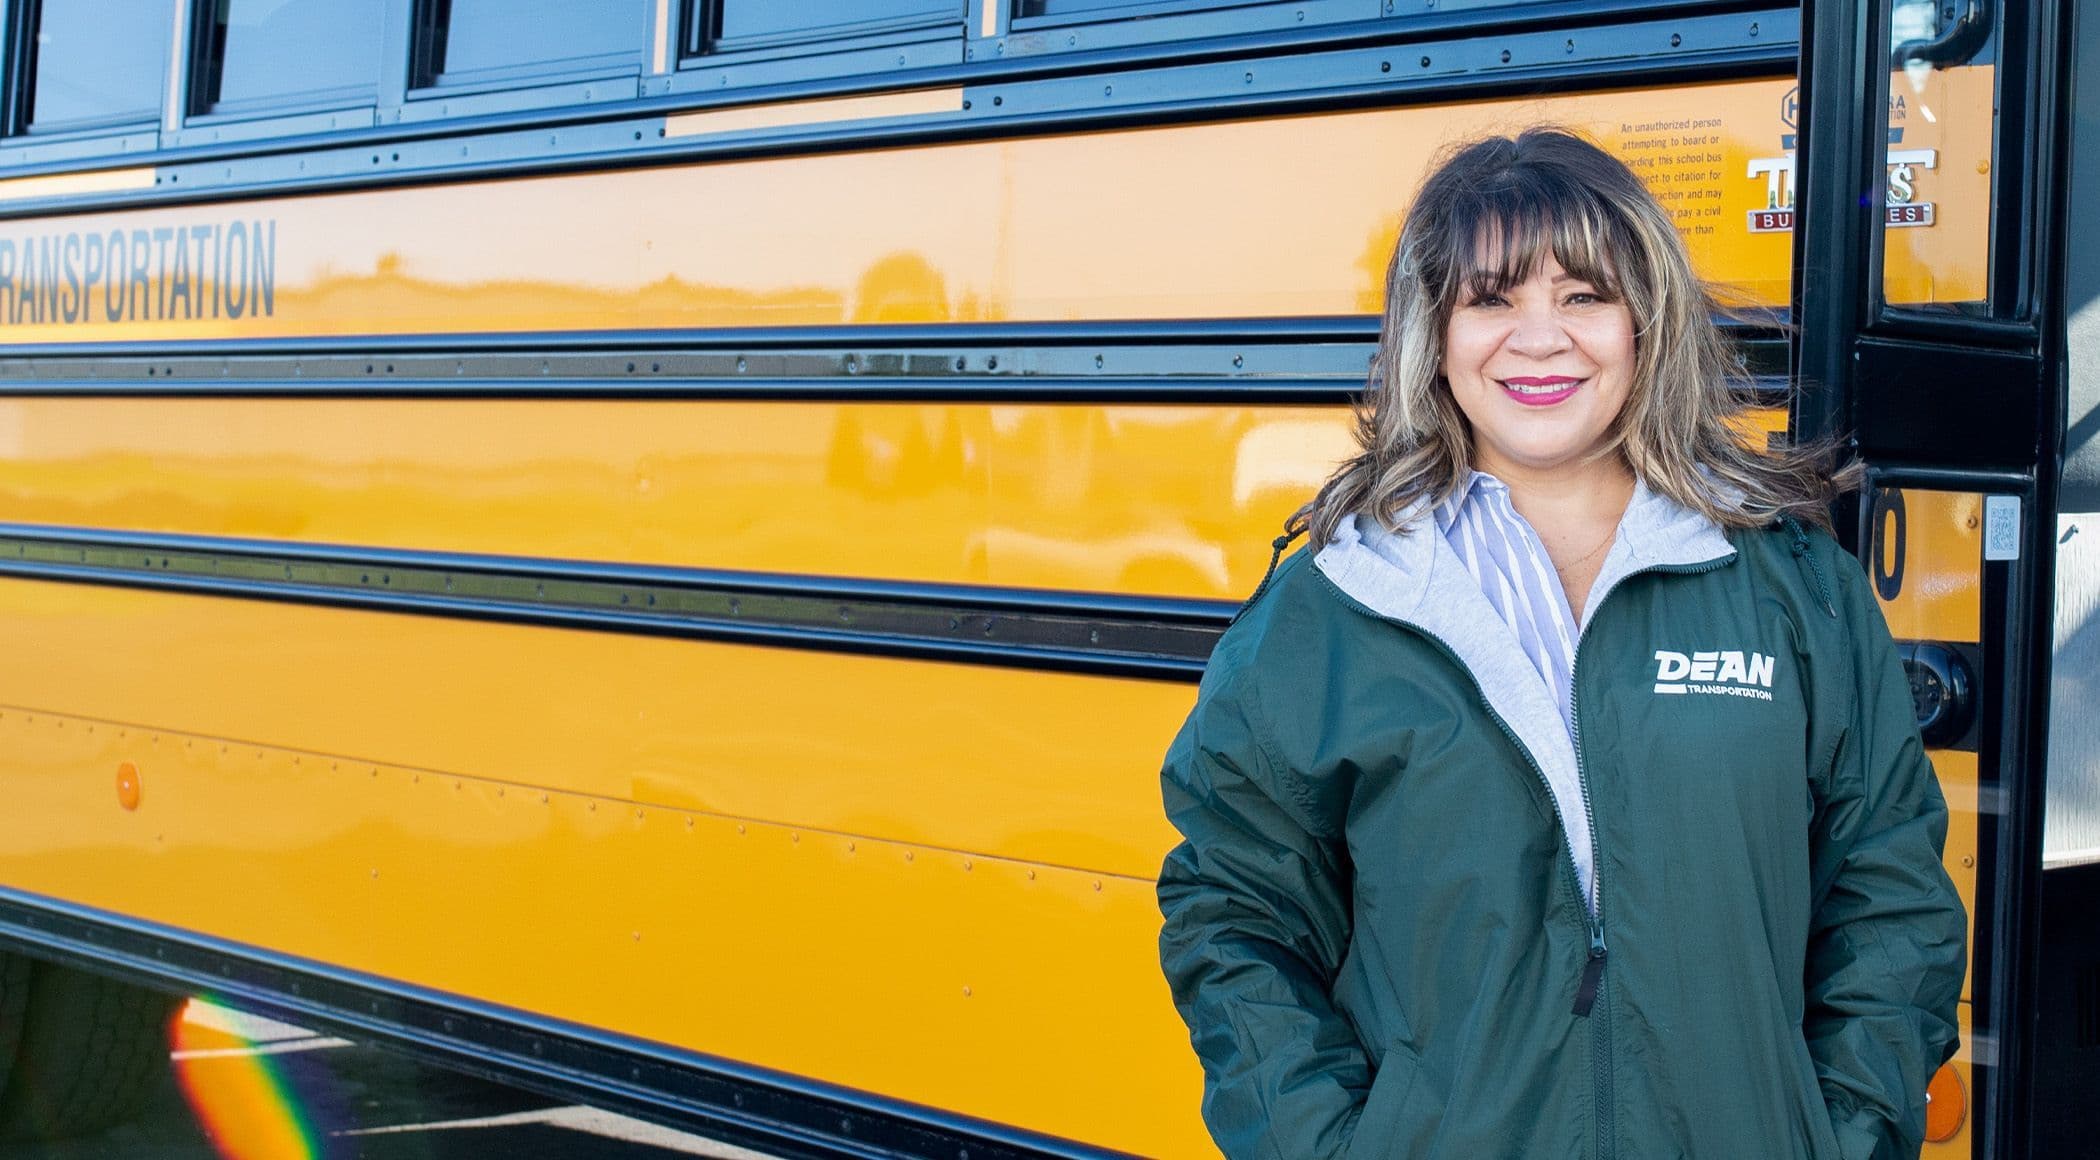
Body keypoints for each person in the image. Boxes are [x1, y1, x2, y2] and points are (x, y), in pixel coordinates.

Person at [1155, 127, 1967, 1160]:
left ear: (1644, 322)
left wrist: (1843, 1132)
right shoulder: (1336, 603)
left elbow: (1888, 893)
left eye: (1584, 295)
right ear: (1435, 333)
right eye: (1492, 298)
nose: (1541, 338)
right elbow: (1235, 913)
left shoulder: (1791, 588)